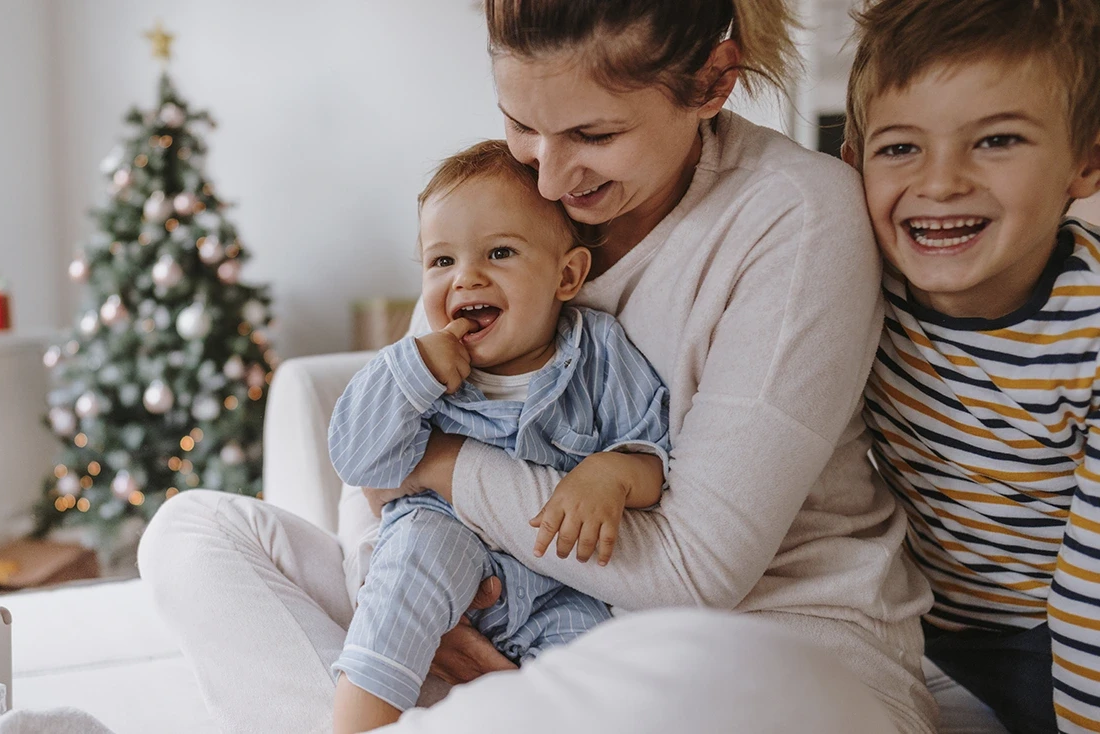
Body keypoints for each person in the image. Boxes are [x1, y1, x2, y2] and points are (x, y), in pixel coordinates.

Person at [138, 1, 937, 731]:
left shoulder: (795, 216)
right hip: (501, 612)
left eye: (595, 137)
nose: (549, 178)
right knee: (192, 534)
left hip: (752, 651)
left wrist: (447, 467)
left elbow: (695, 573)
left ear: (711, 83)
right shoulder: (505, 198)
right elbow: (376, 476)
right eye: (521, 123)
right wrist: (415, 606)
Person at [327, 140, 669, 732]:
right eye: (441, 262)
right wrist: (413, 373)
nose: (466, 278)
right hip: (441, 541)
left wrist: (611, 474)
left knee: (598, 667)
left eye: (500, 252)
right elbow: (356, 456)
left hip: (557, 576)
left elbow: (652, 451)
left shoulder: (600, 351)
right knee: (409, 569)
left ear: (567, 275)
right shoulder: (415, 368)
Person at [844, 0, 1100, 731]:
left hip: (1058, 630)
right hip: (908, 617)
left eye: (996, 140)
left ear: (1086, 160)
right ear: (851, 164)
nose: (943, 181)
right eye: (901, 148)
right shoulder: (850, 284)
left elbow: (1092, 592)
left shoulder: (1087, 333)